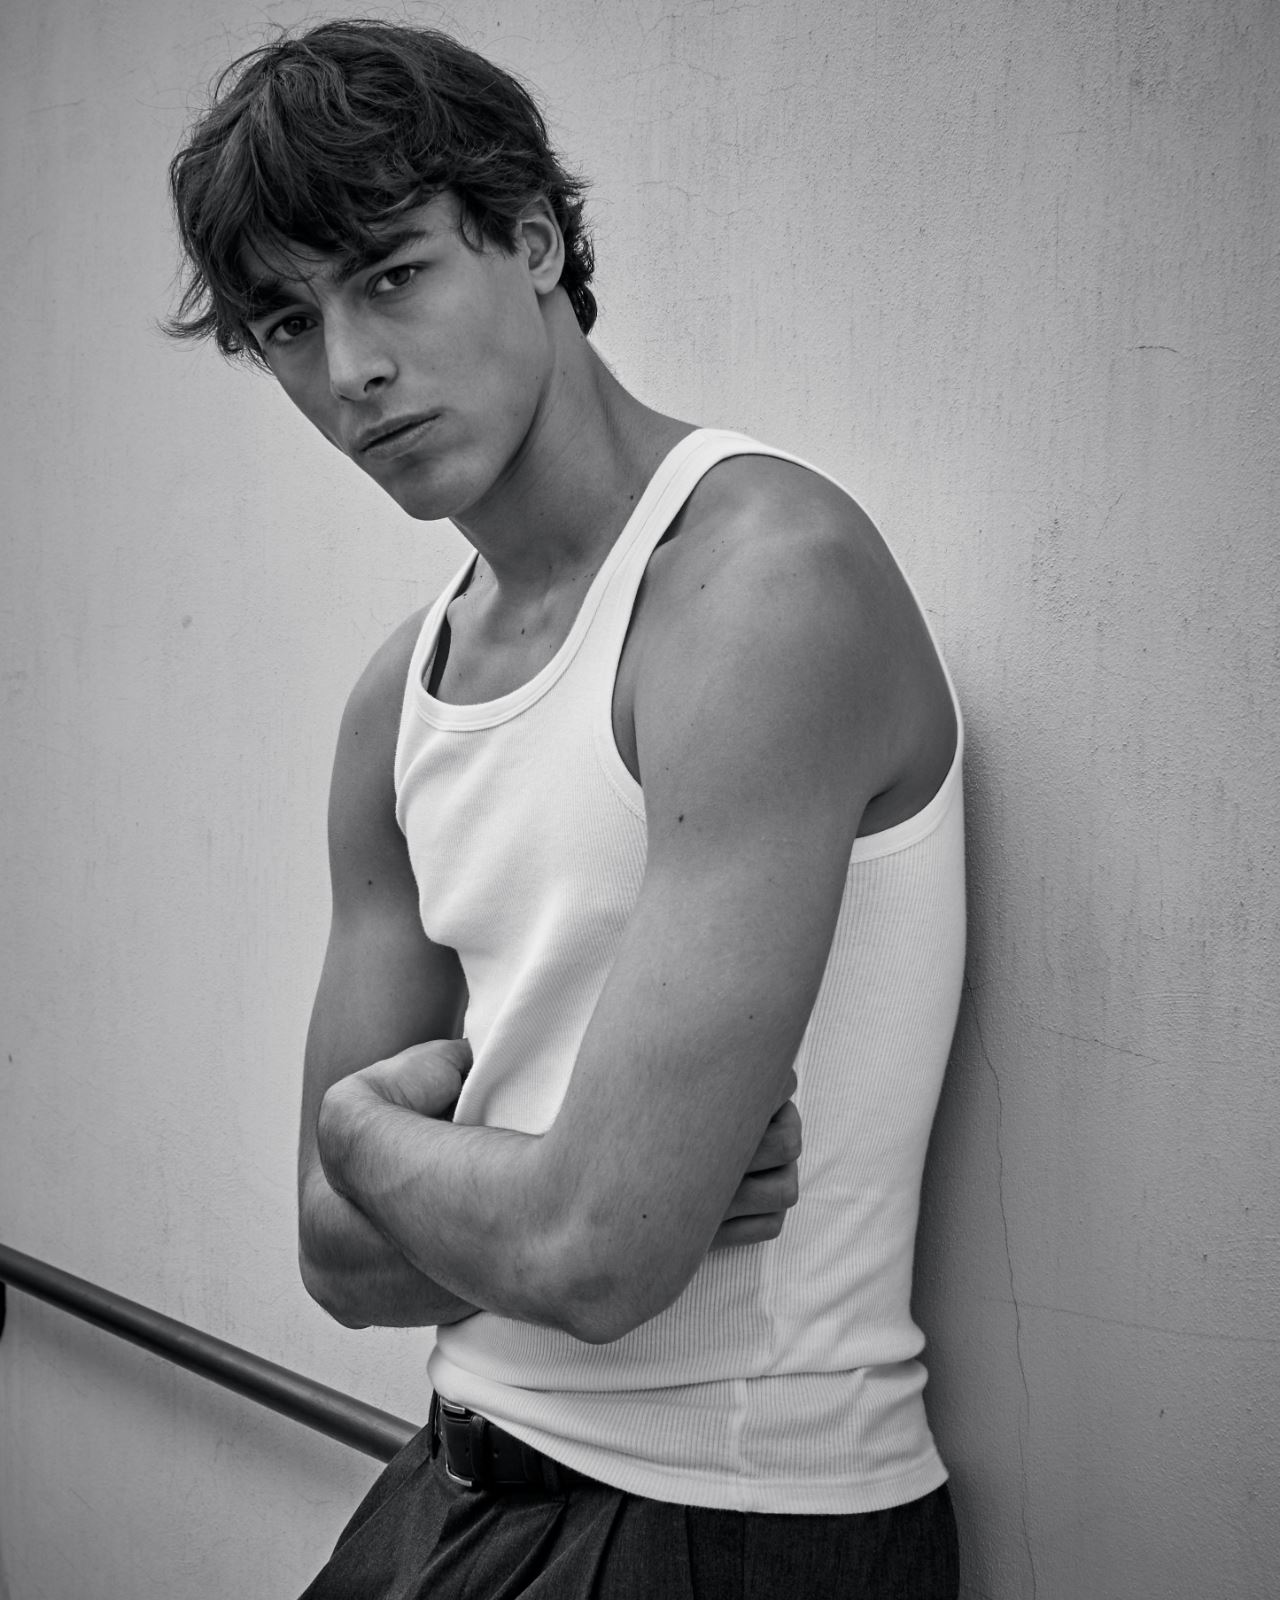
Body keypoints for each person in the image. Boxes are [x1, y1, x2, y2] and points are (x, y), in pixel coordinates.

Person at [166, 18, 964, 1597]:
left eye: (392, 275)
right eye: (288, 324)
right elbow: (335, 1259)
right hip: (447, 1484)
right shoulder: (400, 696)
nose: (349, 371)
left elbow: (596, 1252)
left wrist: (376, 1137)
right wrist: (508, 1189)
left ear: (532, 239)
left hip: (726, 1522)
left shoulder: (758, 587)